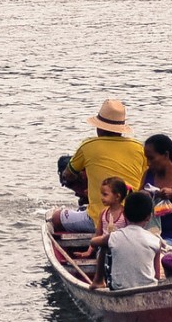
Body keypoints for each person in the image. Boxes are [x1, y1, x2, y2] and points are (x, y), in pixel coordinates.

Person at [52, 99, 147, 234]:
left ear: (99, 127)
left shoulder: (88, 146)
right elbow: (144, 179)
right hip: (132, 219)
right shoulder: (139, 148)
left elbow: (68, 174)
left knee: (55, 217)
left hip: (97, 219)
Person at [97, 191, 164, 291]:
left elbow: (93, 242)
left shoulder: (114, 236)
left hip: (118, 289)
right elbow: (157, 276)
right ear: (149, 217)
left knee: (103, 248)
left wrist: (101, 242)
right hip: (148, 289)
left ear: (124, 214)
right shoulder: (155, 240)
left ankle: (98, 280)